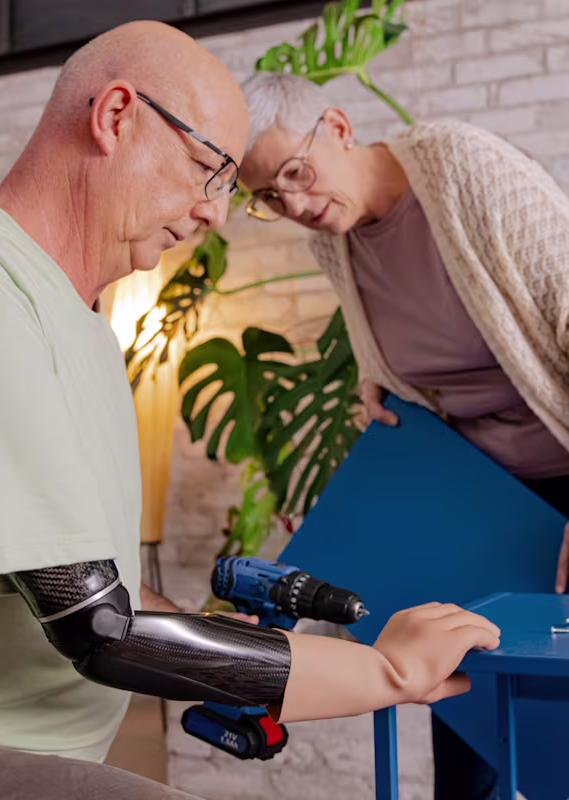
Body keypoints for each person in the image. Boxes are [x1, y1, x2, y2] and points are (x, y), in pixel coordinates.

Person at [0, 23, 499, 800]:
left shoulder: (88, 335)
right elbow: (97, 622)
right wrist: (385, 669)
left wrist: (216, 645)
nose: (216, 213)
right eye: (210, 169)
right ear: (117, 115)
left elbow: (106, 582)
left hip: (2, 748)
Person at [238, 69, 569, 800]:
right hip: (478, 496)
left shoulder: (463, 169)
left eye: (295, 171)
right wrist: (379, 379)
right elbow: (402, 336)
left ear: (339, 126)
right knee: (463, 708)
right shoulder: (336, 239)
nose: (292, 203)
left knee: (556, 730)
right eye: (266, 196)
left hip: (560, 478)